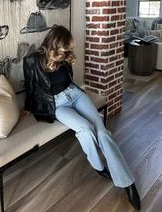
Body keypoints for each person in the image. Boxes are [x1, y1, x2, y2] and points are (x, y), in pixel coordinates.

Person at [23, 25, 140, 210]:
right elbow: (30, 88)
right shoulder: (31, 60)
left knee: (102, 131)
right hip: (57, 104)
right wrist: (28, 109)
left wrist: (66, 57)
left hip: (75, 95)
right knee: (84, 128)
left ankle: (128, 183)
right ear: (55, 42)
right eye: (65, 47)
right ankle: (98, 166)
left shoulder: (64, 56)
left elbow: (69, 79)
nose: (68, 51)